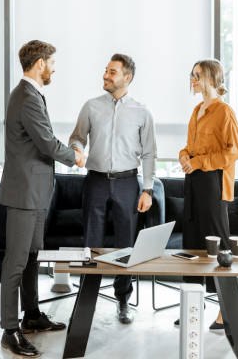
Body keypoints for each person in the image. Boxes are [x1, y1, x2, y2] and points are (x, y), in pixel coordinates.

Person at [0, 40, 86, 358]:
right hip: (23, 193)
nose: (54, 68)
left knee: (32, 256)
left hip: (34, 192)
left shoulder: (30, 94)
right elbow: (47, 143)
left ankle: (31, 314)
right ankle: (10, 331)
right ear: (39, 64)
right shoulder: (26, 96)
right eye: (51, 62)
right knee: (16, 261)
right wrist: (74, 157)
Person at [69, 53, 156, 324]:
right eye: (106, 71)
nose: (105, 76)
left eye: (112, 72)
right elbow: (77, 138)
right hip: (95, 180)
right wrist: (77, 150)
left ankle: (123, 300)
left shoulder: (142, 112)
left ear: (127, 77)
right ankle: (86, 300)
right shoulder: (91, 106)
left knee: (125, 244)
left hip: (128, 183)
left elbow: (150, 154)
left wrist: (148, 189)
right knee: (90, 243)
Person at [177, 59, 238, 329]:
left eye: (197, 75)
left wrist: (200, 162)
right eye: (191, 74)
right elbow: (190, 147)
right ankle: (193, 308)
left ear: (212, 79)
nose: (192, 79)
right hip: (192, 182)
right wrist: (183, 155)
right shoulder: (196, 110)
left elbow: (234, 151)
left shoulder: (224, 111)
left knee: (219, 247)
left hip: (213, 182)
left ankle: (227, 311)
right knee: (192, 245)